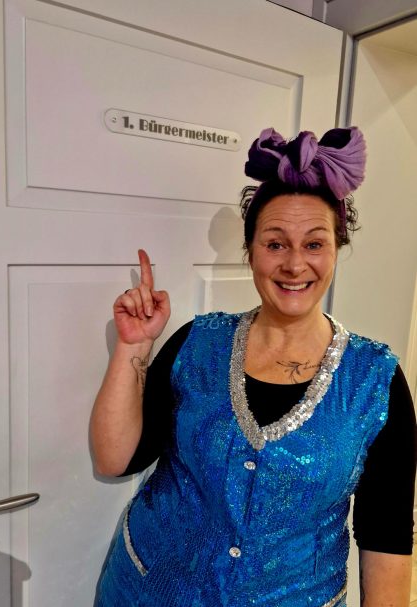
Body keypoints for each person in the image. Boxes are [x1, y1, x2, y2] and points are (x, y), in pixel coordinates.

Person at [91, 127, 416, 607]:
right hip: (149, 591)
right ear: (250, 250)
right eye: (275, 243)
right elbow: (115, 459)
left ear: (336, 250)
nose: (295, 265)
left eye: (314, 244)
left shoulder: (375, 381)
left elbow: (386, 535)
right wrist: (132, 346)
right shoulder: (196, 344)